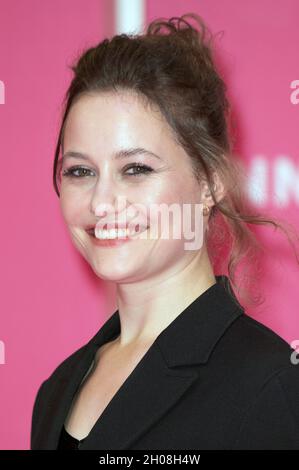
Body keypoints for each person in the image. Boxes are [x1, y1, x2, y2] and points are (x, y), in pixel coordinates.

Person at [30, 13, 299, 450]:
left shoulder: (269, 386)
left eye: (135, 169)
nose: (101, 202)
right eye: (80, 171)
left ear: (210, 180)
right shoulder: (57, 390)